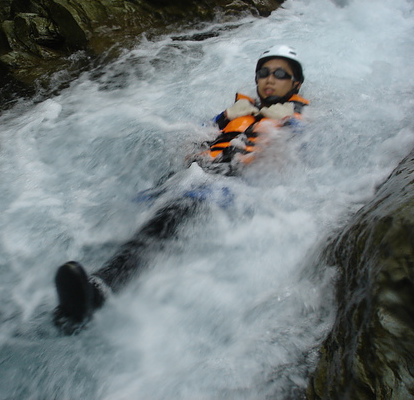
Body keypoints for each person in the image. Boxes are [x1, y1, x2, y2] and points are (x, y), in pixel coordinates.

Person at [53, 45, 309, 334]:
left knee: (174, 212)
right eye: (263, 72)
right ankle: (82, 289)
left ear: (295, 84)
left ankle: (100, 291)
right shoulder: (235, 113)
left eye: (279, 74)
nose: (269, 79)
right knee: (146, 208)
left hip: (238, 191)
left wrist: (268, 147)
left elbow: (286, 165)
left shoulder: (293, 122)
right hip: (202, 177)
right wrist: (197, 148)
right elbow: (194, 137)